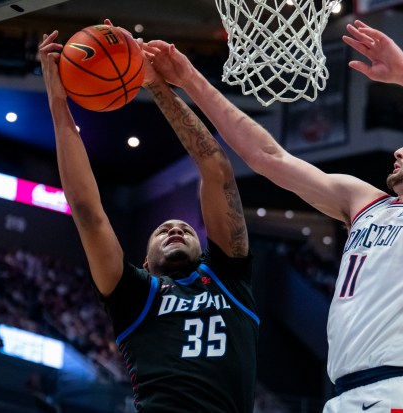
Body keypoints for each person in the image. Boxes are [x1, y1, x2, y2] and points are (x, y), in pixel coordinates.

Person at [145, 18, 403, 413]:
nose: (400, 152)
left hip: (402, 392)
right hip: (347, 394)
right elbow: (267, 157)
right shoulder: (364, 202)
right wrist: (189, 78)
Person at [38, 22, 259, 413]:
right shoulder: (134, 294)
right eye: (163, 230)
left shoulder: (230, 277)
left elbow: (215, 168)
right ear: (144, 262)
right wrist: (58, 103)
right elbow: (89, 213)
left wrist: (155, 84)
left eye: (185, 229)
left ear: (204, 246)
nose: (175, 228)